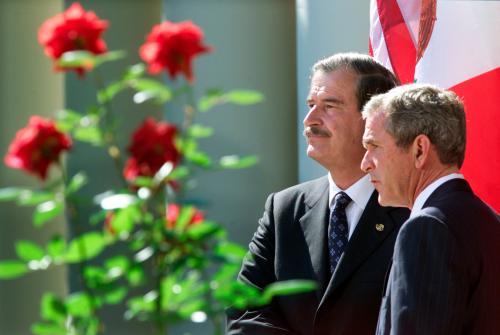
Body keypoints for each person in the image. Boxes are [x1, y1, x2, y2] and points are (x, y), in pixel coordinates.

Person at [226, 53, 409, 335]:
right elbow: (245, 310)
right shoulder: (284, 208)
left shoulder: (412, 208)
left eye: (330, 106)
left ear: (372, 119)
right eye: (311, 105)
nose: (310, 119)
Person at [360, 84, 500, 335]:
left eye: (374, 146)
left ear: (420, 150)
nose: (365, 164)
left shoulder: (426, 228)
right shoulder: (490, 221)